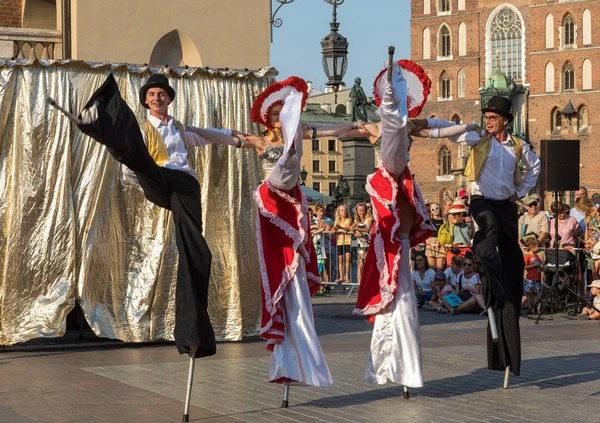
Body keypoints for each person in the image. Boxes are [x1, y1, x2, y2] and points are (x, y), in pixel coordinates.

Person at [73, 73, 252, 359]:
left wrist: (237, 139)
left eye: (162, 94)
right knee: (133, 152)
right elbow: (129, 171)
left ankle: (193, 332)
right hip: (158, 178)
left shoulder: (180, 128)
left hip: (185, 185)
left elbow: (207, 134)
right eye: (152, 95)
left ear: (168, 99)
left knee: (195, 251)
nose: (158, 98)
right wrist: (147, 182)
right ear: (146, 101)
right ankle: (102, 121)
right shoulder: (145, 129)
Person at [425, 95, 541, 378]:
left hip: (506, 204)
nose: (487, 121)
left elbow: (535, 167)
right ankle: (485, 256)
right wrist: (424, 126)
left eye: (492, 118)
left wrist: (521, 192)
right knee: (486, 228)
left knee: (511, 260)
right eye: (485, 116)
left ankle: (508, 304)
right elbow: (453, 131)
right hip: (482, 201)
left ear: (505, 121)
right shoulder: (479, 138)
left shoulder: (517, 145)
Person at [354, 57, 435, 390]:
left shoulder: (409, 127)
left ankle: (401, 367)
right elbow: (344, 130)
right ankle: (394, 366)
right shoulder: (375, 128)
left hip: (399, 186)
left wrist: (467, 131)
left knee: (401, 294)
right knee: (392, 292)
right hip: (383, 191)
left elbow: (438, 126)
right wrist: (310, 130)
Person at [332, 204, 354, 283]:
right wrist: (335, 229)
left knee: (347, 258)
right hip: (340, 241)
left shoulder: (348, 219)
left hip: (347, 240)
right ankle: (341, 276)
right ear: (339, 212)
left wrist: (340, 228)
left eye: (345, 210)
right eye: (342, 210)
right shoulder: (337, 221)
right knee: (340, 259)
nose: (344, 212)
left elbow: (347, 228)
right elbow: (333, 230)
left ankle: (347, 275)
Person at [352, 203, 373, 285]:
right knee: (360, 265)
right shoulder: (356, 220)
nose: (361, 212)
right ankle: (360, 284)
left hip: (368, 244)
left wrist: (357, 229)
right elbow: (352, 228)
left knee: (367, 265)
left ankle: (368, 283)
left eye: (363, 210)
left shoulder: (369, 219)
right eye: (360, 211)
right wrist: (355, 232)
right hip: (360, 245)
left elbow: (367, 229)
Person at [523, 237, 543, 312]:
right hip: (530, 279)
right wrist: (534, 265)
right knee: (529, 294)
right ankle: (529, 308)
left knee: (535, 294)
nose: (538, 248)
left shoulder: (537, 256)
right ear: (531, 247)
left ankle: (535, 308)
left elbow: (540, 265)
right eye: (536, 246)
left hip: (537, 278)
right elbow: (524, 267)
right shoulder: (527, 256)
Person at [424, 202, 446, 271]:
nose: (435, 210)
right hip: (430, 244)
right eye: (432, 209)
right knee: (432, 271)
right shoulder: (429, 221)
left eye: (437, 208)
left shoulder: (444, 221)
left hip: (441, 244)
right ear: (430, 211)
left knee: (440, 269)